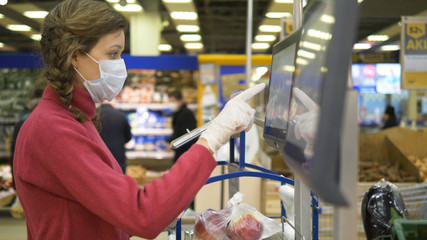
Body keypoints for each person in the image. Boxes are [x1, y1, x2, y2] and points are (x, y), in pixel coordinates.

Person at [13, 0, 265, 239]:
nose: (119, 65)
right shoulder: (52, 128)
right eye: (112, 54)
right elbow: (142, 215)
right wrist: (211, 139)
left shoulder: (77, 118)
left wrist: (166, 207)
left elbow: (102, 211)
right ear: (75, 56)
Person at [98, 101, 132, 174]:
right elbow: (128, 137)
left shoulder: (94, 115)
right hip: (118, 157)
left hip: (100, 157)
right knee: (120, 182)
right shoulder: (121, 115)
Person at [167, 90, 198, 163]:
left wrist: (173, 144)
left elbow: (186, 135)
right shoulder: (178, 113)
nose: (171, 104)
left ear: (180, 101)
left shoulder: (185, 114)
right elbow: (177, 131)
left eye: (173, 101)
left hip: (185, 152)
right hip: (181, 151)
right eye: (170, 101)